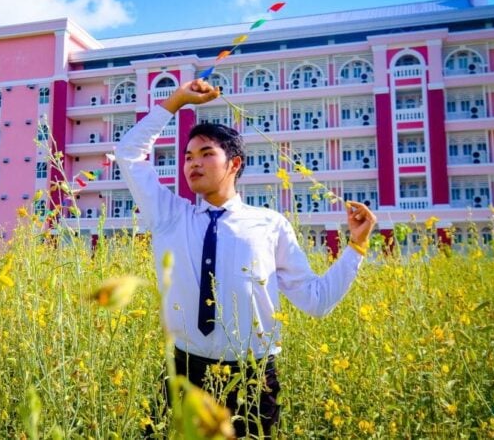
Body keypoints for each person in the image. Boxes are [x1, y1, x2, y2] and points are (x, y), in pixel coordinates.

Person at [114, 78, 377, 438]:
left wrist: (356, 248)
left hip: (252, 380)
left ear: (234, 164)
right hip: (184, 372)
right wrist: (176, 101)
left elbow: (316, 301)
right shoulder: (169, 215)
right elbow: (128, 152)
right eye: (189, 156)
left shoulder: (270, 225)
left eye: (207, 154)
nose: (193, 164)